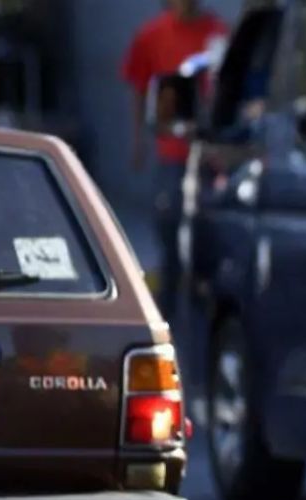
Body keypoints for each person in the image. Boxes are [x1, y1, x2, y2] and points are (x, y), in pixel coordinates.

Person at [121, 0, 229, 321]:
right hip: (172, 153)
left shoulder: (217, 34)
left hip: (209, 153)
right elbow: (140, 89)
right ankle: (168, 311)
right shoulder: (151, 35)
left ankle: (204, 301)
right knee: (168, 224)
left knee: (208, 228)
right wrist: (138, 140)